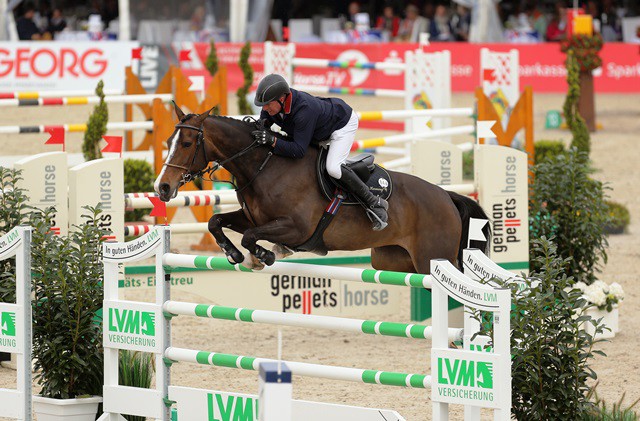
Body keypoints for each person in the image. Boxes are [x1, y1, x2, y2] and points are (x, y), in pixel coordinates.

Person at [251, 74, 389, 231]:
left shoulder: (304, 110)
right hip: (317, 129)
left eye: (267, 104)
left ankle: (374, 202)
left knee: (333, 168)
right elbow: (264, 123)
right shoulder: (272, 108)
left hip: (341, 125)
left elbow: (298, 150)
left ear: (281, 99)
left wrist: (272, 141)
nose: (265, 109)